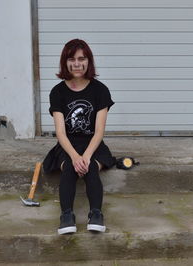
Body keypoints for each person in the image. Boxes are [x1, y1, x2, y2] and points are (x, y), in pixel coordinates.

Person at [42, 39, 116, 235]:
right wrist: (75, 157)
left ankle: (96, 214)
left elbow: (99, 131)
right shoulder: (57, 92)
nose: (77, 64)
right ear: (65, 62)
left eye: (81, 59)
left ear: (88, 61)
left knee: (90, 167)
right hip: (68, 145)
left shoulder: (100, 90)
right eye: (71, 59)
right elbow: (60, 132)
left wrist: (87, 155)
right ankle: (66, 215)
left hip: (93, 143)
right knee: (70, 170)